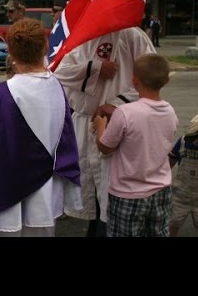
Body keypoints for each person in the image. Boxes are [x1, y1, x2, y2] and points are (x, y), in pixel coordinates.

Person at [0, 18, 82, 237]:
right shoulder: (57, 88)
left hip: (6, 196)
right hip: (44, 197)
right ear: (45, 47)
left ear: (11, 51)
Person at [53, 26, 156, 237]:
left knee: (113, 190)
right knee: (91, 189)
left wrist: (116, 104)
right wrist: (95, 69)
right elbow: (59, 71)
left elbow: (152, 76)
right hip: (84, 121)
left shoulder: (133, 36)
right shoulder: (79, 35)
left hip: (121, 121)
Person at [92, 54, 178, 237]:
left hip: (127, 194)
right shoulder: (170, 111)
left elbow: (105, 146)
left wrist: (100, 126)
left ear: (134, 80)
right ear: (166, 81)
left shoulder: (124, 113)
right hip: (161, 190)